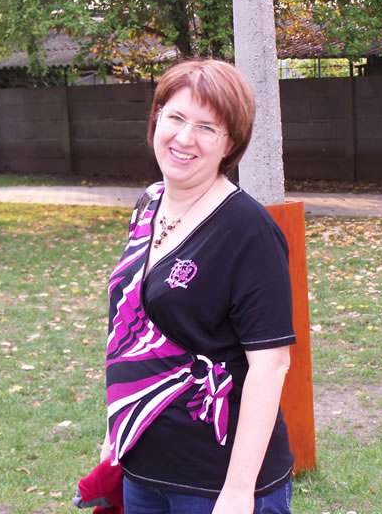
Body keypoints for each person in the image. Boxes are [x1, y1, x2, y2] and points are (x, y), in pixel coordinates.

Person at [101, 58, 295, 514]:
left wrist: (239, 491)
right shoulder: (149, 203)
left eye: (207, 127)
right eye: (176, 117)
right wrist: (115, 431)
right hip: (142, 470)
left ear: (231, 143)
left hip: (215, 483)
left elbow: (270, 367)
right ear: (156, 120)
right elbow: (130, 328)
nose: (185, 138)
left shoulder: (249, 230)